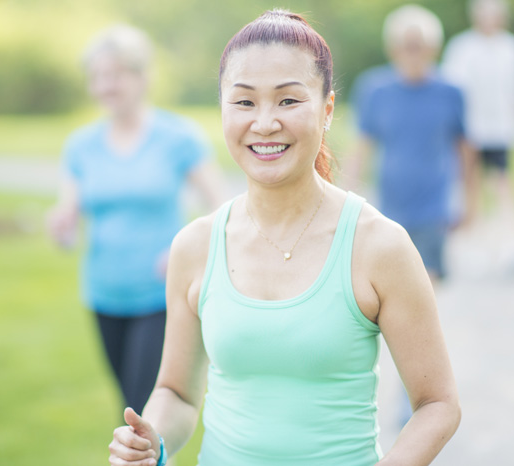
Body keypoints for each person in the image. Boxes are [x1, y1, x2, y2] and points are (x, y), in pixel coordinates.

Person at [107, 10, 461, 466]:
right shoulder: (195, 246)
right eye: (244, 102)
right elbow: (176, 392)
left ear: (327, 109)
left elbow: (438, 404)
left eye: (289, 101)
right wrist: (151, 441)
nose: (266, 123)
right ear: (222, 108)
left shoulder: (380, 246)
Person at [47, 24, 227, 416]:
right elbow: (68, 222)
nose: (105, 86)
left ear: (142, 77)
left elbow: (220, 206)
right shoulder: (80, 145)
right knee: (130, 409)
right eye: (96, 77)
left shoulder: (178, 137)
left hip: (160, 294)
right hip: (103, 294)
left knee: (143, 409)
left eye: (115, 75)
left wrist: (185, 253)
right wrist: (61, 227)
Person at [349, 4, 478, 283]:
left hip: (434, 209)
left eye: (419, 45)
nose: (413, 53)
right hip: (388, 208)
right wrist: (347, 199)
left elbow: (466, 151)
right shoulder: (374, 90)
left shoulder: (451, 92)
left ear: (434, 48)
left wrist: (471, 204)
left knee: (426, 285)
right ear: (392, 48)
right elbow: (360, 149)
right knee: (389, 284)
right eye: (406, 45)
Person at [441, 0, 514, 272]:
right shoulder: (462, 48)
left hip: (502, 131)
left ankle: (509, 242)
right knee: (470, 186)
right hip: (469, 130)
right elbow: (452, 91)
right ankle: (472, 244)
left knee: (502, 186)